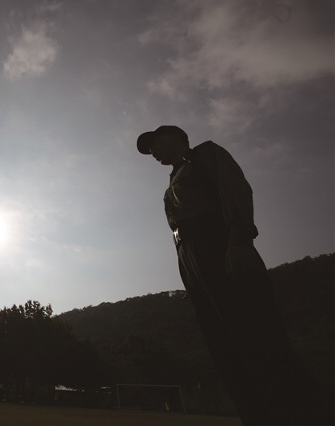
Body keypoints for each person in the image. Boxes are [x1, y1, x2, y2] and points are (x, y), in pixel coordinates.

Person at [136, 125, 333, 425]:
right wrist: (192, 274)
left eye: (155, 143)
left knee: (255, 333)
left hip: (218, 242)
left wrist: (240, 238)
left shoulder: (204, 155)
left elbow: (235, 189)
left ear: (176, 136)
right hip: (190, 256)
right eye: (148, 150)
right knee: (224, 344)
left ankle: (299, 413)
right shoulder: (172, 180)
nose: (152, 152)